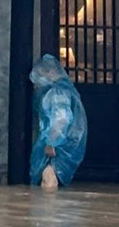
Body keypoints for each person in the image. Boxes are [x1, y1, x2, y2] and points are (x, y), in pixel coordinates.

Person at [30, 54, 88, 191]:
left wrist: (51, 142)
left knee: (49, 178)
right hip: (67, 146)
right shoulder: (67, 90)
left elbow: (61, 118)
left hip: (59, 147)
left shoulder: (57, 92)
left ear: (50, 72)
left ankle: (50, 210)